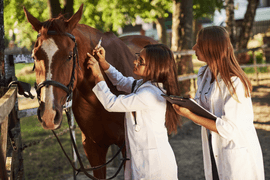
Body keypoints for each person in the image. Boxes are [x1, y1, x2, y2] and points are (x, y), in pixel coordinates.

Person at [173, 26, 265, 180]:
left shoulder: (235, 83)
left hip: (236, 153)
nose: (194, 48)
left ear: (211, 47)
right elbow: (203, 108)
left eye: (198, 44)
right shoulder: (204, 73)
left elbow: (229, 129)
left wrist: (190, 115)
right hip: (213, 146)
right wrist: (188, 104)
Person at [87, 44, 180, 180]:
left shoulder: (149, 94)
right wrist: (103, 63)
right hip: (144, 159)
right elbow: (121, 81)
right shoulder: (145, 85)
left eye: (140, 61)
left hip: (154, 166)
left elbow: (111, 103)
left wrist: (98, 75)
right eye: (138, 57)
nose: (135, 62)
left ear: (155, 67)